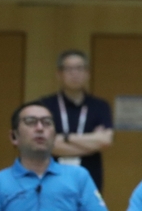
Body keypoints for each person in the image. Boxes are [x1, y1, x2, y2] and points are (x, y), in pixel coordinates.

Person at [0, 102, 106, 211]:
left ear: (54, 137)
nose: (40, 128)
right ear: (14, 136)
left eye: (47, 123)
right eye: (30, 122)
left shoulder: (78, 177)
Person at [39, 50, 113, 193]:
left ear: (87, 73)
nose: (75, 73)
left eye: (80, 68)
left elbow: (105, 141)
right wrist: (91, 142)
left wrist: (65, 138)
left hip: (90, 176)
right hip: (52, 175)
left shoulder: (100, 106)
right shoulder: (45, 105)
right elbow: (46, 143)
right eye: (69, 69)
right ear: (59, 74)